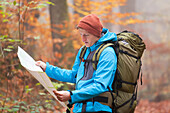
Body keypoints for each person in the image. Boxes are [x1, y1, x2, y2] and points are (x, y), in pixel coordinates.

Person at [36, 14, 117, 113]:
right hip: (79, 108)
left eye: (86, 35)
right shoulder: (84, 50)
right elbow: (74, 75)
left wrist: (71, 95)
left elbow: (100, 86)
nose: (83, 39)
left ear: (97, 34)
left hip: (98, 108)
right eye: (81, 35)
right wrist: (47, 69)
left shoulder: (107, 53)